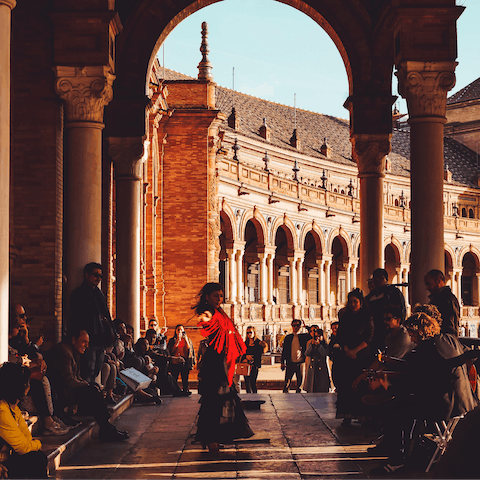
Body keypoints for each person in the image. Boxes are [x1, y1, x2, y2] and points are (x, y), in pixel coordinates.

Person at [370, 312, 477, 476]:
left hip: (444, 406)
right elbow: (466, 357)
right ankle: (403, 455)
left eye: (412, 334)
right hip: (465, 401)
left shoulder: (426, 348)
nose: (411, 339)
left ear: (420, 331)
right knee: (401, 405)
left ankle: (397, 460)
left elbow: (415, 382)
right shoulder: (449, 338)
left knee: (393, 409)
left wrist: (387, 386)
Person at [194, 282, 253, 454]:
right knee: (213, 401)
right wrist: (205, 320)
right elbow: (204, 320)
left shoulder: (220, 312)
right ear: (207, 297)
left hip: (222, 360)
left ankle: (214, 438)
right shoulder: (209, 312)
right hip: (214, 362)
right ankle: (211, 439)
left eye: (221, 295)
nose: (219, 299)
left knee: (221, 400)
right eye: (215, 295)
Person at [46, 328, 129, 442]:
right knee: (92, 391)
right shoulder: (64, 352)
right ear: (74, 340)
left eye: (88, 343)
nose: (86, 346)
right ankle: (106, 428)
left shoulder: (73, 351)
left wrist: (89, 384)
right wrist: (87, 386)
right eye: (84, 341)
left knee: (93, 388)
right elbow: (69, 380)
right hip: (59, 394)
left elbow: (77, 377)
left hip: (67, 391)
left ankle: (106, 427)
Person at [70, 263, 116, 384]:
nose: (99, 279)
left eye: (101, 276)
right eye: (96, 275)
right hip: (87, 339)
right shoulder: (79, 293)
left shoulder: (99, 294)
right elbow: (75, 316)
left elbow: (106, 314)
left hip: (100, 339)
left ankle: (90, 394)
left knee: (96, 369)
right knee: (87, 370)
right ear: (87, 275)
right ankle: (86, 397)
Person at [0, 363, 48, 479]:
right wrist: (38, 444)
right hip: (3, 459)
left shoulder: (13, 408)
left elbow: (26, 438)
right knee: (35, 459)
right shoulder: (2, 410)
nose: (29, 385)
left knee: (38, 457)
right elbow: (22, 447)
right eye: (27, 382)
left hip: (8, 456)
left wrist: (30, 445)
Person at [336, 288, 374, 427]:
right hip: (347, 356)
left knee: (360, 386)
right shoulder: (345, 317)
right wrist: (347, 350)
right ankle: (347, 416)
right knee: (346, 386)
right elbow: (340, 335)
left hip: (362, 355)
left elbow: (369, 336)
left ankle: (362, 416)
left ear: (361, 303)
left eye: (355, 302)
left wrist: (355, 351)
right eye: (350, 302)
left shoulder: (367, 317)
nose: (352, 304)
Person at [365, 268, 406, 352]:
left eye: (380, 277)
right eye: (375, 277)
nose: (377, 280)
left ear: (386, 279)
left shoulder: (394, 293)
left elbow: (401, 312)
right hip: (374, 332)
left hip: (389, 331)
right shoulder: (369, 297)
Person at [424, 269, 460, 336]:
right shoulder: (440, 298)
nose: (427, 288)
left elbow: (450, 328)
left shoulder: (447, 300)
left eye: (429, 284)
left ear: (438, 281)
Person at [281, 319, 310, 393]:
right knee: (287, 381)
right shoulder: (288, 337)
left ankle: (299, 396)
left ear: (300, 326)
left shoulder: (304, 336)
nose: (295, 327)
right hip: (290, 362)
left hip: (300, 362)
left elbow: (312, 333)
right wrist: (282, 362)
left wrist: (305, 326)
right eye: (294, 325)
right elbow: (284, 351)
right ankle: (285, 395)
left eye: (297, 325)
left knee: (300, 382)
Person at [167, 325, 195, 393]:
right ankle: (174, 391)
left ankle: (186, 390)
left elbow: (189, 350)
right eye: (178, 330)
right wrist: (177, 342)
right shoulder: (172, 340)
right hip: (175, 362)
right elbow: (170, 351)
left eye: (181, 330)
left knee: (185, 378)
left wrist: (185, 340)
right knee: (174, 378)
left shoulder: (188, 340)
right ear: (176, 331)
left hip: (184, 362)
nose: (180, 331)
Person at [239, 326, 267, 393]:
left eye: (250, 332)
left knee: (253, 383)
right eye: (247, 333)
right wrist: (246, 357)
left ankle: (255, 398)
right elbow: (241, 353)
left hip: (254, 365)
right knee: (247, 384)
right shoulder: (245, 343)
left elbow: (260, 353)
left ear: (254, 332)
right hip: (246, 365)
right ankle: (248, 399)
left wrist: (252, 358)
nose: (249, 334)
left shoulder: (258, 343)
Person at [304, 326, 330, 393]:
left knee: (321, 387)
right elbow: (307, 353)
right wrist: (312, 345)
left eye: (319, 336)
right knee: (312, 387)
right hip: (312, 368)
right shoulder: (310, 343)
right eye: (316, 336)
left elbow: (324, 353)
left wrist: (319, 345)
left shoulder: (325, 344)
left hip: (321, 368)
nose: (317, 338)